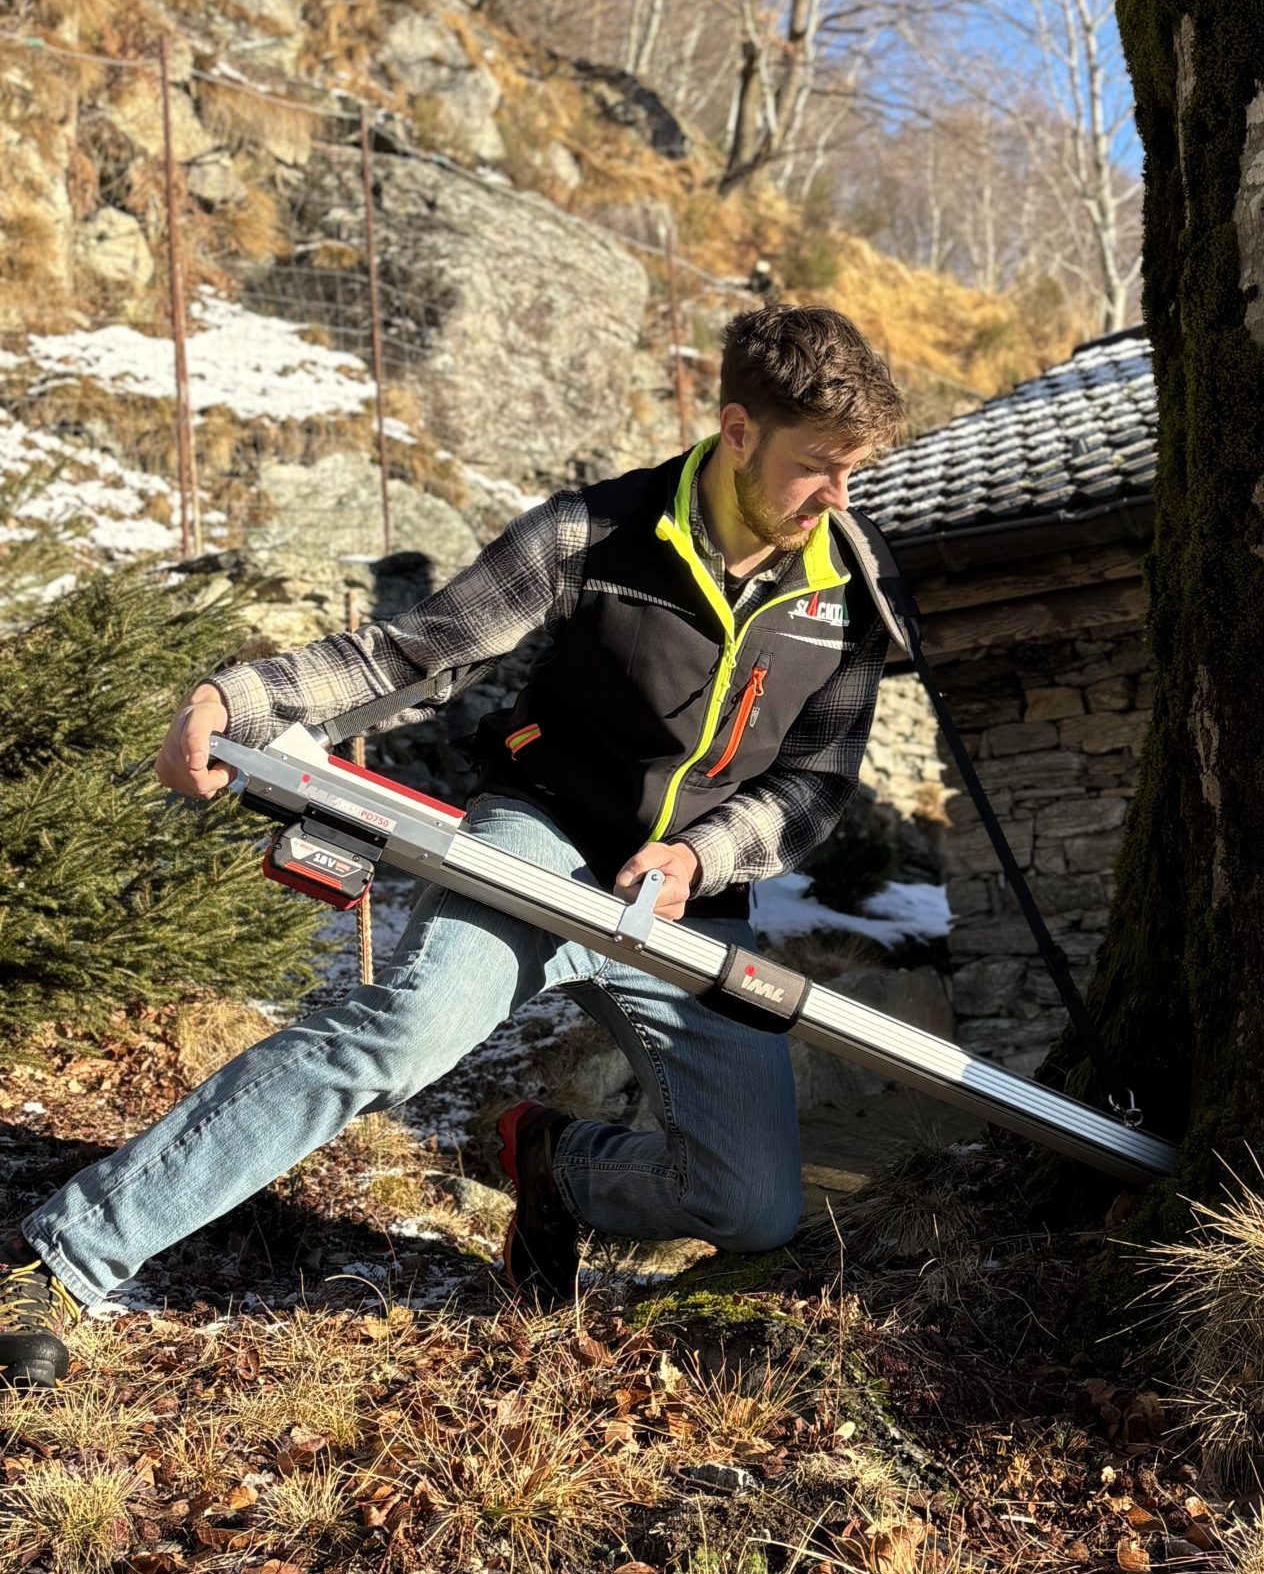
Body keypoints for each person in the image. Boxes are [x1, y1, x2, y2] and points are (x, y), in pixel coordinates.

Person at [0, 305, 909, 1388]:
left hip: (690, 896)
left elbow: (816, 783)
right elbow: (412, 652)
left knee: (754, 1207)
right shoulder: (592, 531)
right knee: (398, 1035)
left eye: (855, 471)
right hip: (544, 842)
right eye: (820, 467)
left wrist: (704, 857)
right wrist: (233, 697)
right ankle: (61, 1256)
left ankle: (553, 1164)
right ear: (738, 429)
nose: (839, 499)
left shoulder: (854, 587)